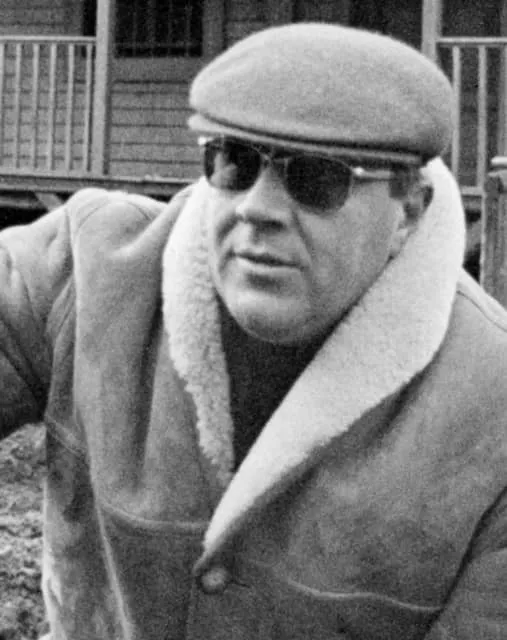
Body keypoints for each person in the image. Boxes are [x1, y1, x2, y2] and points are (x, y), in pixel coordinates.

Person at [2, 21, 507, 640]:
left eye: (317, 177)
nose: (257, 208)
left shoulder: (494, 408)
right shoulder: (85, 268)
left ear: (407, 211)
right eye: (234, 162)